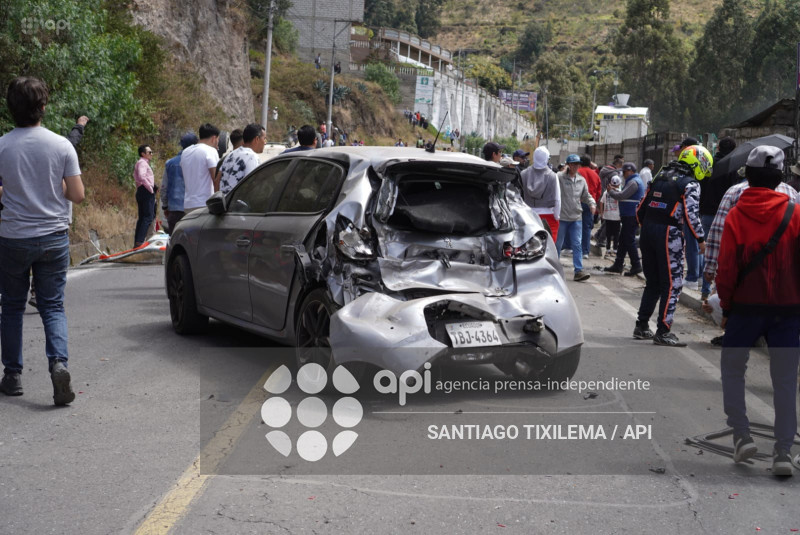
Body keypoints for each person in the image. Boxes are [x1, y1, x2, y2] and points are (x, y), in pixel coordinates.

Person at [715, 146, 800, 476]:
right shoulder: (795, 212)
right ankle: (783, 452)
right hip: (787, 310)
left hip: (745, 309)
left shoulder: (737, 215)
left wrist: (726, 306)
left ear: (748, 177)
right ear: (780, 178)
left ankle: (741, 435)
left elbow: (726, 269)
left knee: (732, 369)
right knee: (784, 380)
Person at [0, 76, 85, 404]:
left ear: (11, 109)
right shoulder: (62, 145)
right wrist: (52, 187)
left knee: (11, 306)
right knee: (52, 305)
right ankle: (59, 364)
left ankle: (12, 375)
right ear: (44, 107)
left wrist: (15, 190)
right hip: (53, 237)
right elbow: (77, 195)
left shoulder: (3, 146)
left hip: (13, 238)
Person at [633, 145, 710, 346]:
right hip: (669, 233)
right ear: (698, 163)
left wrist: (646, 226)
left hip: (648, 230)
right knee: (672, 284)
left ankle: (642, 326)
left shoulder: (660, 175)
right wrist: (701, 239)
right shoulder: (690, 183)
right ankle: (663, 331)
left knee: (653, 282)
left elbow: (641, 207)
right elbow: (691, 215)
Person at [699, 136, 737, 299]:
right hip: (725, 215)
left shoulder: (708, 164)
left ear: (718, 148)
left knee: (706, 251)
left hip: (707, 213)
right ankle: (717, 290)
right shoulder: (733, 167)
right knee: (724, 252)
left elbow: (700, 187)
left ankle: (705, 290)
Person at [556, 154, 595, 281]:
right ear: (568, 165)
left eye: (577, 164)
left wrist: (592, 204)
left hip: (576, 217)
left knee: (577, 244)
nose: (575, 166)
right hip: (562, 216)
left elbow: (586, 195)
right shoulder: (559, 177)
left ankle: (578, 271)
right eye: (572, 164)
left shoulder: (581, 180)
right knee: (558, 244)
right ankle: (554, 269)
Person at [603, 162, 645, 276]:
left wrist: (611, 191)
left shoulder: (633, 182)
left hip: (631, 215)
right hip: (628, 215)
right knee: (623, 240)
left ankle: (636, 265)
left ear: (630, 171)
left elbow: (622, 196)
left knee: (629, 240)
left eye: (625, 172)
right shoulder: (633, 181)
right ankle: (618, 264)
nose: (623, 174)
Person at [520, 146, 561, 238]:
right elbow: (557, 199)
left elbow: (519, 196)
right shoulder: (553, 176)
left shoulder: (523, 174)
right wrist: (556, 216)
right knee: (548, 244)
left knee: (530, 243)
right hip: (548, 215)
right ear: (546, 158)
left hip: (528, 214)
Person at [161, 132, 198, 234]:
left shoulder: (170, 163)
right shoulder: (198, 162)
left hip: (174, 209)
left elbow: (164, 187)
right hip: (193, 209)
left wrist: (165, 206)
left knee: (175, 239)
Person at [180, 123, 220, 213]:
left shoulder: (185, 152)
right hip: (204, 204)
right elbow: (216, 179)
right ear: (214, 138)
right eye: (218, 139)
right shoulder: (210, 151)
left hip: (188, 204)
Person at [218, 124, 266, 194]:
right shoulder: (252, 157)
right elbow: (252, 187)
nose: (265, 143)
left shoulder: (230, 155)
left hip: (224, 199)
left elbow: (217, 180)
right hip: (237, 200)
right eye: (264, 139)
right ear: (257, 139)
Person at [578, 155, 601, 258]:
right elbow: (599, 191)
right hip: (590, 204)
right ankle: (585, 252)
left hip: (577, 202)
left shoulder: (577, 172)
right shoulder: (595, 174)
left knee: (574, 226)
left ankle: (572, 248)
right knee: (587, 228)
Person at [133, 144, 156, 248]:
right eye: (149, 152)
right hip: (146, 191)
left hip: (141, 190)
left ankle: (138, 241)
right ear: (143, 154)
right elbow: (142, 176)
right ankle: (140, 241)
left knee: (142, 217)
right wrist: (150, 188)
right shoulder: (142, 163)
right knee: (148, 217)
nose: (151, 154)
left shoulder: (141, 163)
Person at [599, 175, 622, 256]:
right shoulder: (620, 192)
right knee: (616, 234)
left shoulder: (606, 192)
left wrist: (601, 213)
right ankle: (615, 250)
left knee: (608, 234)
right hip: (617, 217)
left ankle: (608, 250)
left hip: (607, 215)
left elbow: (601, 202)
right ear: (619, 184)